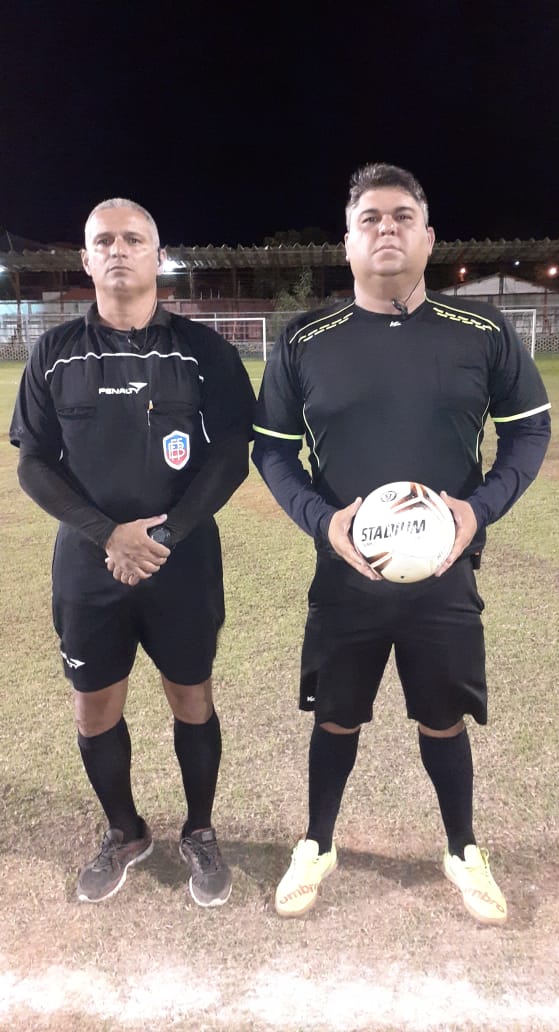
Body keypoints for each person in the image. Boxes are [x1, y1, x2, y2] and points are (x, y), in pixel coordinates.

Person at [252, 163, 551, 924]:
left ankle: (462, 849)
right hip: (345, 574)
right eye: (370, 219)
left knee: (442, 717)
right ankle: (317, 842)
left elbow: (528, 432)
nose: (386, 228)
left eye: (402, 217)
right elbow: (272, 452)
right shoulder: (305, 339)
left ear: (428, 237)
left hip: (443, 573)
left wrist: (477, 511)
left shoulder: (482, 332)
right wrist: (322, 521)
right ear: (348, 243)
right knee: (335, 716)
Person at [10, 198, 255, 907]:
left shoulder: (204, 352)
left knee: (192, 697)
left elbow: (230, 458)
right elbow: (33, 464)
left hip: (182, 563)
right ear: (86, 259)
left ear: (158, 255)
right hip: (89, 564)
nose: (118, 250)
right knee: (93, 708)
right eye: (104, 241)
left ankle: (199, 830)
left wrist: (164, 536)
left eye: (133, 239)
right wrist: (107, 534)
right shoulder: (54, 353)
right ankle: (125, 831)